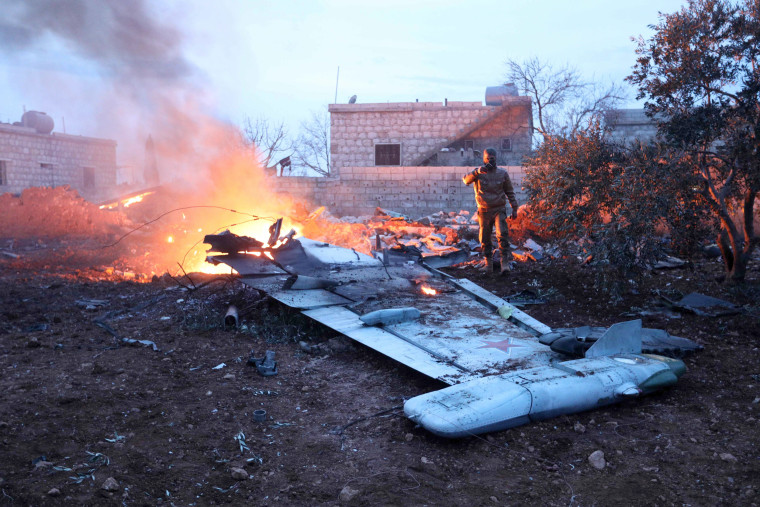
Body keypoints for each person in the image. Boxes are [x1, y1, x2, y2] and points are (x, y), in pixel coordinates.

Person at [462, 148, 519, 275]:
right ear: (483, 159)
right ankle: (488, 264)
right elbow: (466, 180)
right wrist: (476, 172)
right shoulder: (478, 173)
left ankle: (505, 264)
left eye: (492, 158)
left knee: (502, 235)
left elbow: (510, 191)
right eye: (487, 158)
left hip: (499, 209)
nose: (490, 161)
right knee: (485, 238)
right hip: (484, 211)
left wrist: (514, 208)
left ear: (496, 158)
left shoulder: (502, 173)